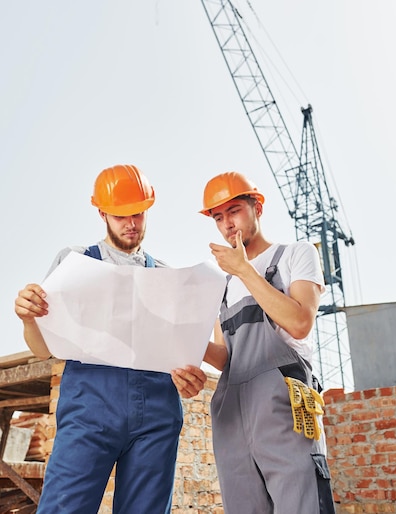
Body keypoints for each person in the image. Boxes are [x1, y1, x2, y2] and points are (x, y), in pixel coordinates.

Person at [14, 164, 183, 514]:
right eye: (120, 215)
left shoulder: (167, 277)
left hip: (156, 414)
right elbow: (44, 348)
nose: (131, 224)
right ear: (102, 212)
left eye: (137, 213)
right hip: (90, 409)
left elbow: (180, 352)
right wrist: (28, 318)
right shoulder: (74, 263)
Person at [171, 171, 336, 514]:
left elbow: (300, 322)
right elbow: (226, 358)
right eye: (218, 218)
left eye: (235, 211)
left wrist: (245, 270)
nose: (227, 224)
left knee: (300, 501)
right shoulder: (222, 285)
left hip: (282, 402)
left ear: (257, 207)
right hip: (232, 409)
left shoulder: (295, 255)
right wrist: (181, 334)